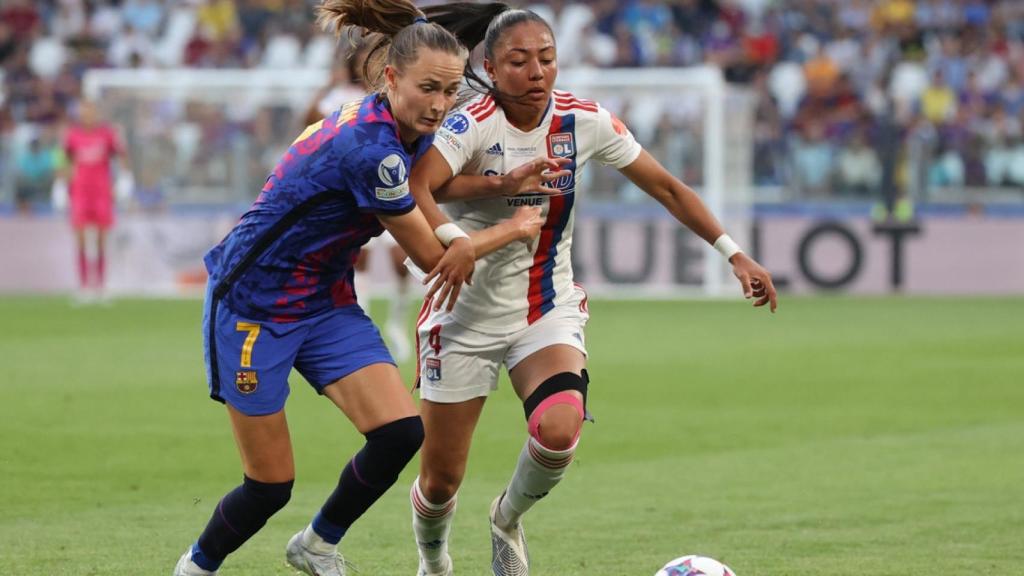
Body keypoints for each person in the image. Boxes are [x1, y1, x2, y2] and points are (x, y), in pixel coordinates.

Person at [172, 2, 545, 575]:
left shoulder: (398, 123)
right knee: (270, 485)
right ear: (391, 78)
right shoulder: (369, 150)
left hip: (323, 301)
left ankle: (317, 545)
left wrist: (495, 182)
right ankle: (195, 567)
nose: (442, 105)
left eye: (449, 91)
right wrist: (512, 227)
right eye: (430, 89)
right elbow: (432, 257)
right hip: (253, 306)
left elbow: (423, 185)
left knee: (398, 434)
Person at [405, 5, 778, 576]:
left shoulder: (584, 120)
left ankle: (506, 518)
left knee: (558, 427)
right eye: (519, 61)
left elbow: (668, 188)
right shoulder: (470, 122)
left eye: (547, 59)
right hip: (463, 314)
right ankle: (434, 561)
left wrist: (734, 253)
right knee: (439, 482)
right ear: (490, 66)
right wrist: (459, 236)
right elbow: (418, 186)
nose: (537, 72)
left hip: (544, 307)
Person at [304, 50, 418, 362]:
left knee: (401, 261)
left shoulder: (389, 95)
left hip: (392, 187)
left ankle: (397, 323)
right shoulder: (343, 96)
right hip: (357, 194)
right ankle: (364, 323)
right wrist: (328, 85)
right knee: (360, 261)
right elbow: (310, 123)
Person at [61, 101, 132, 299]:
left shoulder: (107, 134)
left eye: (91, 111)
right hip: (80, 192)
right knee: (81, 239)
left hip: (102, 192)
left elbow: (121, 155)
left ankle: (100, 285)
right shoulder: (72, 135)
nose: (88, 115)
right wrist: (60, 184)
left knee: (101, 239)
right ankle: (84, 286)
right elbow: (63, 158)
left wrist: (125, 178)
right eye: (84, 111)